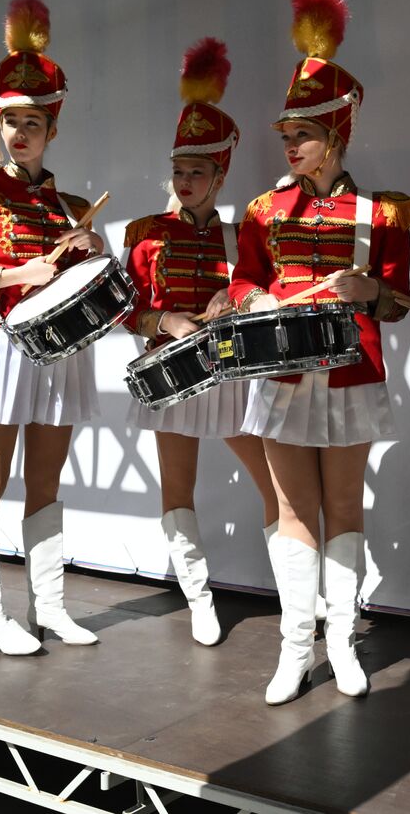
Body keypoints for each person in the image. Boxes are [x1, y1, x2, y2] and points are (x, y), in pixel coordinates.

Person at [228, 0, 410, 704]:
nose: (291, 145)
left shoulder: (382, 212)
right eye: (287, 135)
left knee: (345, 507)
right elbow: (239, 282)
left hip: (351, 375)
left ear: (336, 135)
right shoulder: (261, 210)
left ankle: (341, 639)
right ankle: (294, 647)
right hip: (279, 377)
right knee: (294, 511)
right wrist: (262, 294)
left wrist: (369, 290)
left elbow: (400, 301)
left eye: (302, 134)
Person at [0, 0, 105, 655]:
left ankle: (51, 607)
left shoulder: (74, 206)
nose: (20, 133)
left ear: (53, 127)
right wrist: (13, 276)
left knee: (47, 481)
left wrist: (89, 257)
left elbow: (89, 290)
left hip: (58, 350)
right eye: (11, 121)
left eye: (32, 121)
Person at [120, 37, 279, 645]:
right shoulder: (145, 233)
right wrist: (165, 323)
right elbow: (124, 314)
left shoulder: (242, 237)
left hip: (231, 373)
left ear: (220, 174)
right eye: (179, 170)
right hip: (169, 375)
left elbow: (257, 292)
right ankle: (199, 598)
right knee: (177, 488)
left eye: (197, 171)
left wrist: (229, 304)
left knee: (272, 479)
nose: (185, 181)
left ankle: (299, 594)